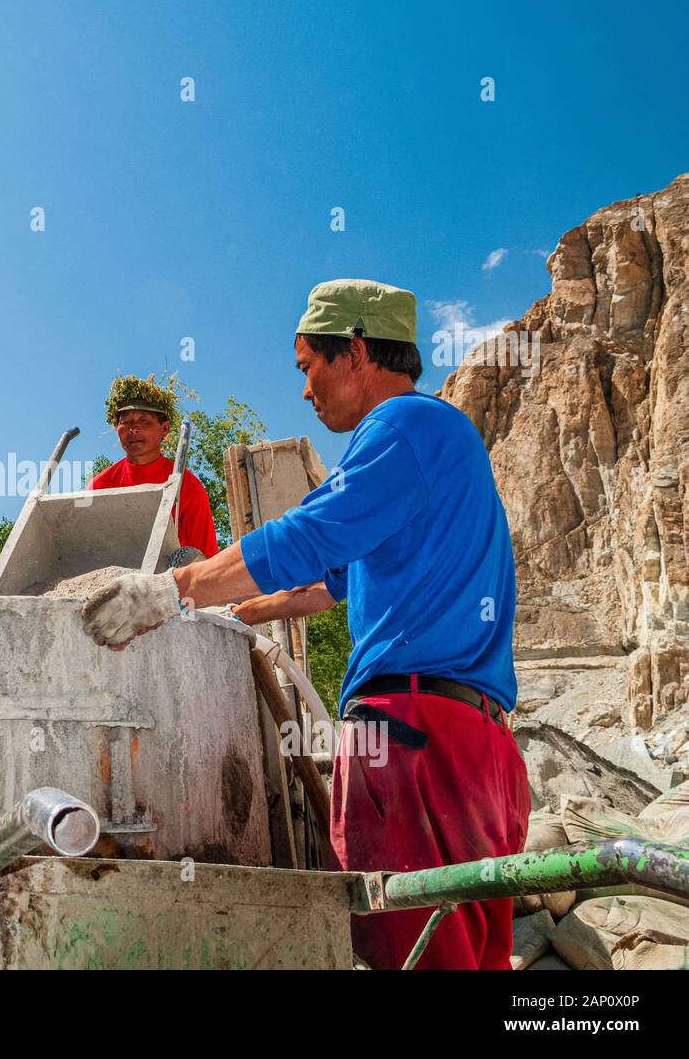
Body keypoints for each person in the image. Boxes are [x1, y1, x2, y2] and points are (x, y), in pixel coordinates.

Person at [79, 279, 530, 970]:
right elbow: (331, 583)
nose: (304, 390)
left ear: (352, 350)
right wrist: (239, 610)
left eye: (307, 368)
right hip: (477, 747)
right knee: (469, 958)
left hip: (409, 740)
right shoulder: (446, 444)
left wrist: (171, 591)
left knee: (400, 948)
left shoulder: (402, 428)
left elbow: (307, 538)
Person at [89, 374, 219, 558]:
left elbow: (205, 560)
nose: (133, 428)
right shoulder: (99, 487)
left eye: (144, 421)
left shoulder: (188, 487)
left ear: (164, 429)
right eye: (125, 422)